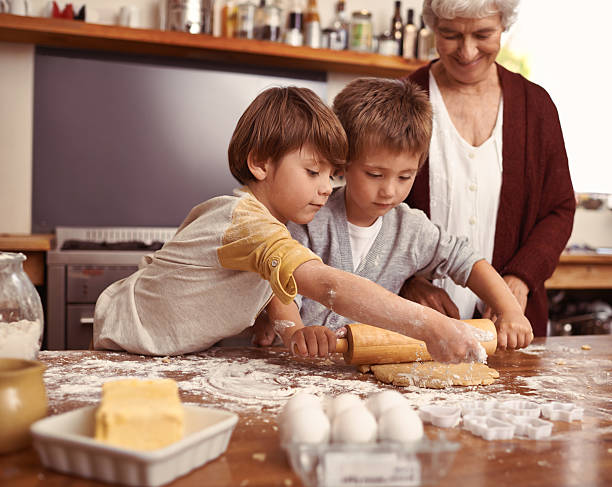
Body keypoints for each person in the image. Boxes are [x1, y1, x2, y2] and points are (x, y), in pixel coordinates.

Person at [93, 85, 482, 363]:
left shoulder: (269, 229)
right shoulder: (244, 221)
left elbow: (272, 287)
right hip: (127, 342)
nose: (326, 188)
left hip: (162, 353)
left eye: (332, 175)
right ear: (260, 163)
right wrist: (432, 327)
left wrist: (284, 327)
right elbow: (328, 285)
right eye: (313, 171)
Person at [256, 77, 532, 355]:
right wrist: (296, 331)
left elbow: (466, 259)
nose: (389, 190)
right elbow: (280, 283)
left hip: (366, 375)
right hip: (297, 369)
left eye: (405, 176)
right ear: (344, 163)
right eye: (374, 175)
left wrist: (510, 311)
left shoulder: (410, 229)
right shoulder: (308, 218)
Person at [401, 0, 575, 340]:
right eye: (450, 34)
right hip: (413, 328)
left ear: (503, 26)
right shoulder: (400, 99)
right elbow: (365, 211)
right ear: (433, 27)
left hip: (508, 330)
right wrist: (405, 281)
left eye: (483, 34)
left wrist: (520, 278)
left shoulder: (536, 107)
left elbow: (559, 209)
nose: (467, 51)